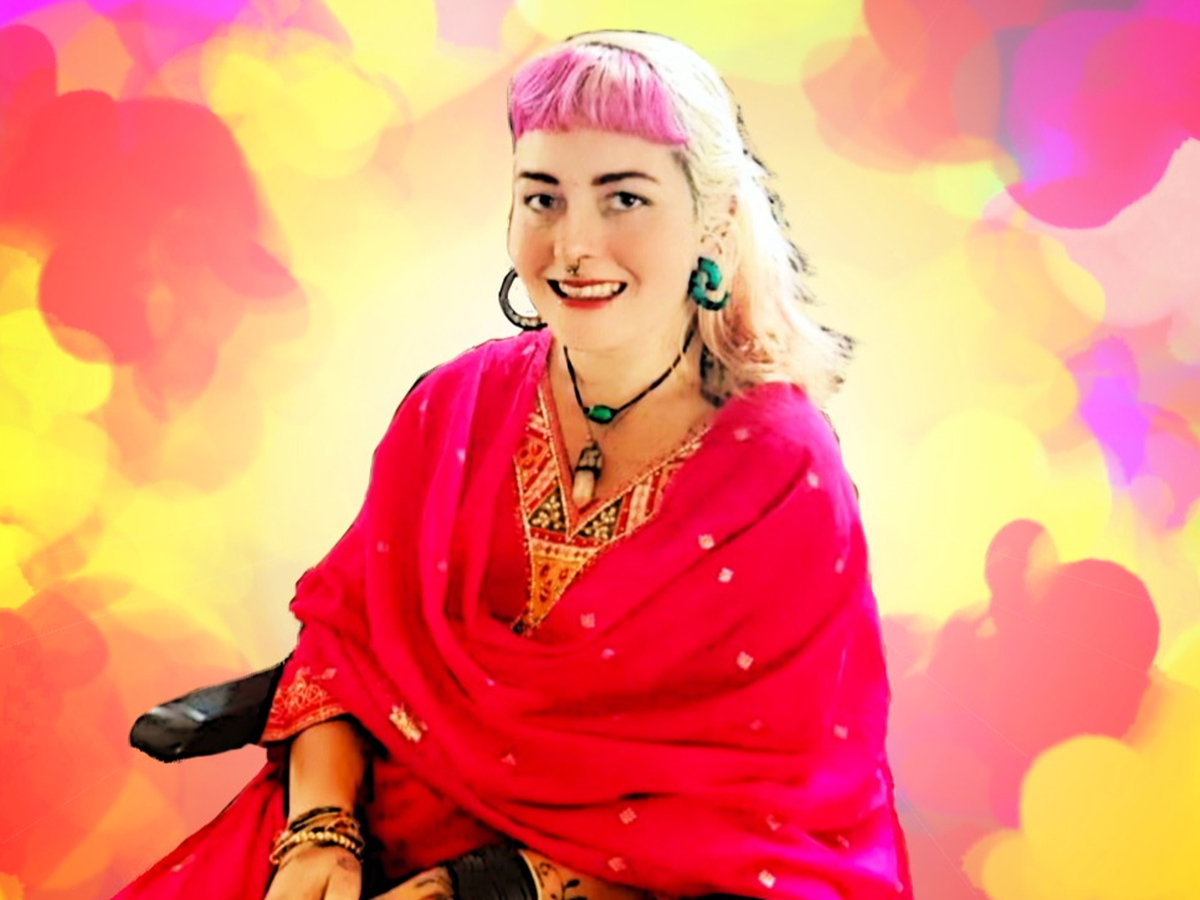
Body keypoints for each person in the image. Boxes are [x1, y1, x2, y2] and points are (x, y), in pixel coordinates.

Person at [113, 29, 912, 900]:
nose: (574, 245)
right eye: (543, 198)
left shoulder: (782, 472)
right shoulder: (454, 405)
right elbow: (346, 644)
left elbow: (775, 803)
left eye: (624, 198)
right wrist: (320, 835)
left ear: (712, 219)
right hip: (368, 820)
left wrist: (489, 886)